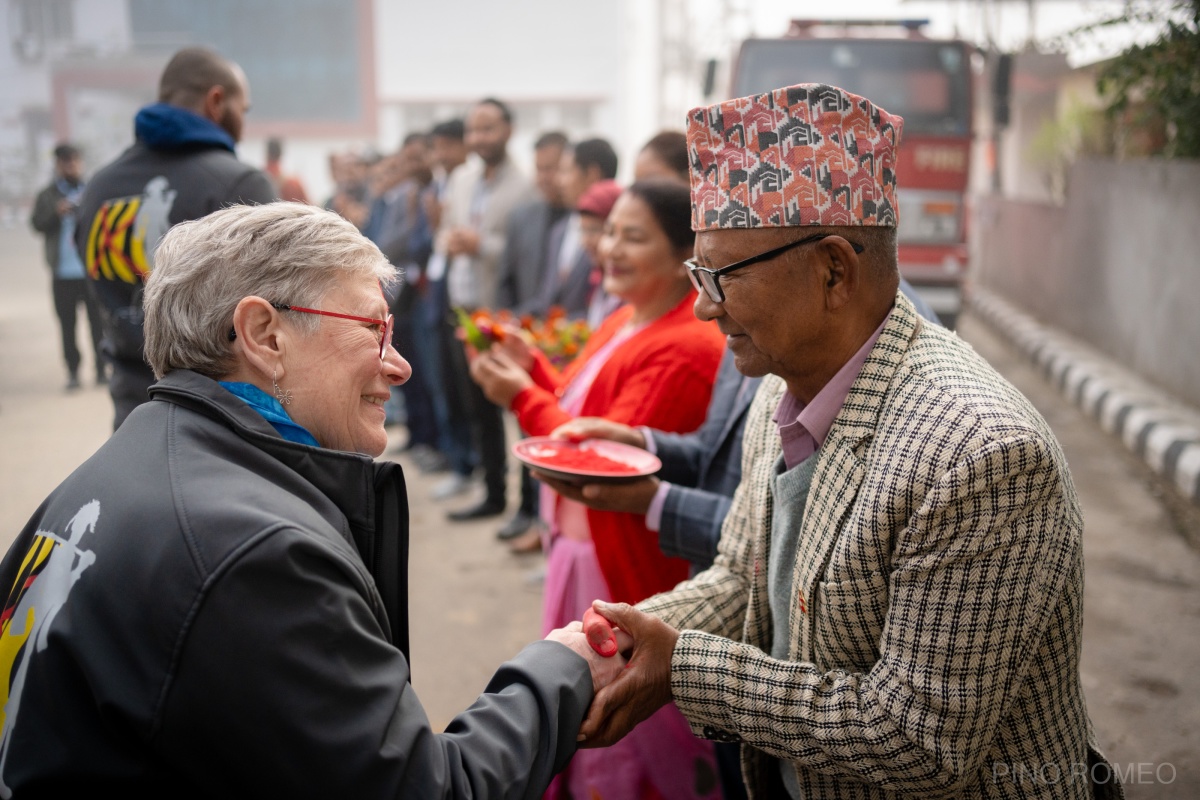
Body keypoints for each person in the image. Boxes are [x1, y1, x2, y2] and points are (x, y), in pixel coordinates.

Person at [562, 84, 1123, 799]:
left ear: (833, 269)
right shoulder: (781, 383)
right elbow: (742, 578)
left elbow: (917, 741)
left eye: (723, 276)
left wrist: (683, 667)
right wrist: (618, 641)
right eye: (699, 274)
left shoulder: (981, 454)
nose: (703, 305)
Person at [0, 203, 625, 796]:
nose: (399, 365)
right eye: (374, 329)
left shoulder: (121, 465)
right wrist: (562, 669)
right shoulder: (258, 554)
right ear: (265, 335)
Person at [470, 180, 725, 800]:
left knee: (620, 716)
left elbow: (599, 462)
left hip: (620, 560)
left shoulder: (686, 345)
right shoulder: (624, 316)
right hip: (579, 547)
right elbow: (584, 409)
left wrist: (521, 398)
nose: (610, 247)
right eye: (610, 231)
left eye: (633, 236)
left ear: (682, 255)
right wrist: (536, 370)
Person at [75, 46, 276, 430]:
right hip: (222, 423)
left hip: (131, 417)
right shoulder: (239, 184)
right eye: (243, 110)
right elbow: (277, 309)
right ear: (217, 101)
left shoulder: (99, 189)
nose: (243, 123)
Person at [430, 98, 534, 520]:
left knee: (520, 410)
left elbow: (522, 252)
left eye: (487, 129)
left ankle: (528, 506)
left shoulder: (524, 186)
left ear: (508, 130)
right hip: (463, 310)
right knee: (478, 410)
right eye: (474, 130)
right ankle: (493, 494)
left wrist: (481, 247)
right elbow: (441, 236)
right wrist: (451, 242)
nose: (478, 138)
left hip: (501, 314)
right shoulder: (461, 180)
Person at [493, 130, 571, 542]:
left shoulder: (583, 221)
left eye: (556, 167)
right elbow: (506, 280)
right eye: (541, 168)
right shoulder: (524, 216)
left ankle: (548, 525)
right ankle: (527, 512)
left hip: (567, 345)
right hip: (525, 337)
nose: (548, 177)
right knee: (526, 431)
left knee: (557, 435)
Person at [30, 143, 106, 390]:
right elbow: (36, 224)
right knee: (67, 325)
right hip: (62, 273)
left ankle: (101, 370)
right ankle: (73, 371)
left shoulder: (92, 190)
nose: (70, 165)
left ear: (80, 162)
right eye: (65, 161)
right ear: (57, 164)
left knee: (98, 324)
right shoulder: (48, 195)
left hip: (90, 270)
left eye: (74, 160)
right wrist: (57, 211)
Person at [533, 138, 620, 320]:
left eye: (566, 171)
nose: (559, 181)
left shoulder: (618, 230)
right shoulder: (559, 230)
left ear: (592, 174)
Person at [264, 137, 309, 203]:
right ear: (281, 154)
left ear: (267, 153)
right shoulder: (294, 183)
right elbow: (309, 206)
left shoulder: (256, 181)